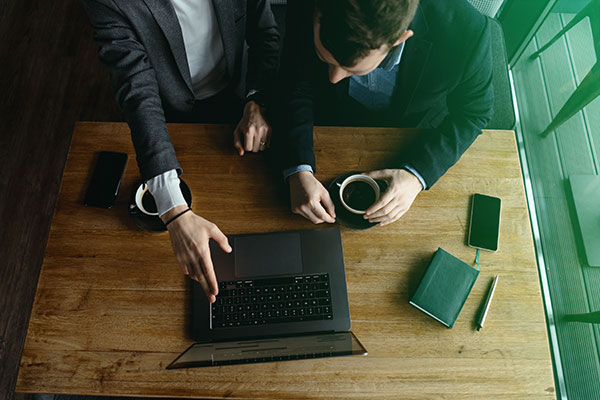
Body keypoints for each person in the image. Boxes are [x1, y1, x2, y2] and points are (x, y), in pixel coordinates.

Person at [82, 0, 280, 303]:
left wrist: (258, 99)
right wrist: (174, 211)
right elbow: (136, 88)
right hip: (166, 113)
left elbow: (266, 33)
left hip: (238, 96)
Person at [274, 0, 493, 226]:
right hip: (323, 121)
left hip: (408, 136)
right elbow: (296, 82)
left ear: (399, 39)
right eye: (324, 58)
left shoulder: (468, 31)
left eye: (351, 69)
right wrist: (298, 169)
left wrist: (417, 176)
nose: (334, 78)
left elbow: (474, 114)